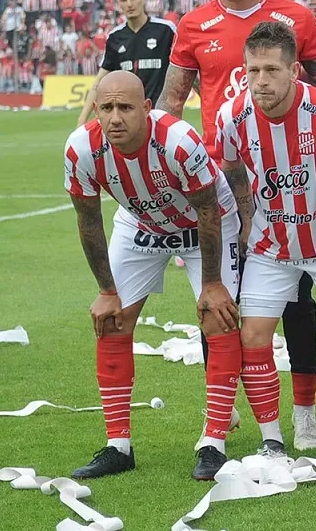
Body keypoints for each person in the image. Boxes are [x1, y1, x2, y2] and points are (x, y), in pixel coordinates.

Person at [157, 0, 316, 450]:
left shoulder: (296, 17)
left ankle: (305, 413)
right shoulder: (193, 25)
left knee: (298, 301)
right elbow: (171, 105)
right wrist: (167, 176)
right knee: (216, 296)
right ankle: (226, 408)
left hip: (294, 178)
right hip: (220, 181)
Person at [63, 71, 241, 480]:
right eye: (106, 108)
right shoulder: (81, 149)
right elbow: (88, 220)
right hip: (140, 223)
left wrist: (213, 285)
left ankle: (213, 443)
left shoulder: (178, 140)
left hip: (202, 225)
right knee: (110, 321)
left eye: (125, 107)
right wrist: (107, 290)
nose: (114, 118)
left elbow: (209, 211)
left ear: (146, 109)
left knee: (219, 317)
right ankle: (118, 446)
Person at [215, 22, 316, 464]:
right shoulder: (233, 115)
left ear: (295, 69)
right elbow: (232, 166)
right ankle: (272, 440)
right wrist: (245, 218)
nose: (261, 80)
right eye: (253, 70)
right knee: (253, 334)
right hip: (270, 245)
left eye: (272, 70)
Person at [78, 0, 177, 125]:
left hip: (162, 117)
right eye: (124, 0)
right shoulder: (115, 37)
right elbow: (99, 82)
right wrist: (82, 120)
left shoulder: (165, 30)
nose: (129, 4)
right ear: (118, 4)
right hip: (129, 121)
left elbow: (187, 69)